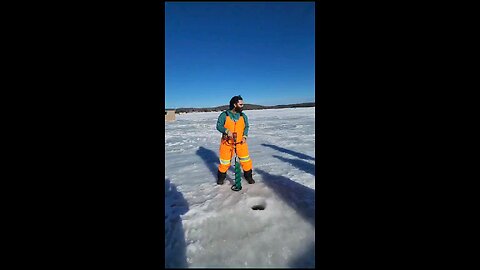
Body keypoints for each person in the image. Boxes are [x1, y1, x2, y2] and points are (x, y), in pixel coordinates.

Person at [216, 95, 255, 185]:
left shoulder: (243, 116)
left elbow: (246, 126)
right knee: (224, 162)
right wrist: (226, 131)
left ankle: (248, 177)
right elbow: (218, 126)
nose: (242, 106)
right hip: (227, 143)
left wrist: (244, 136)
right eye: (240, 104)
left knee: (246, 161)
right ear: (234, 104)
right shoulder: (224, 115)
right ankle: (221, 178)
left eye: (242, 104)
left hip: (241, 143)